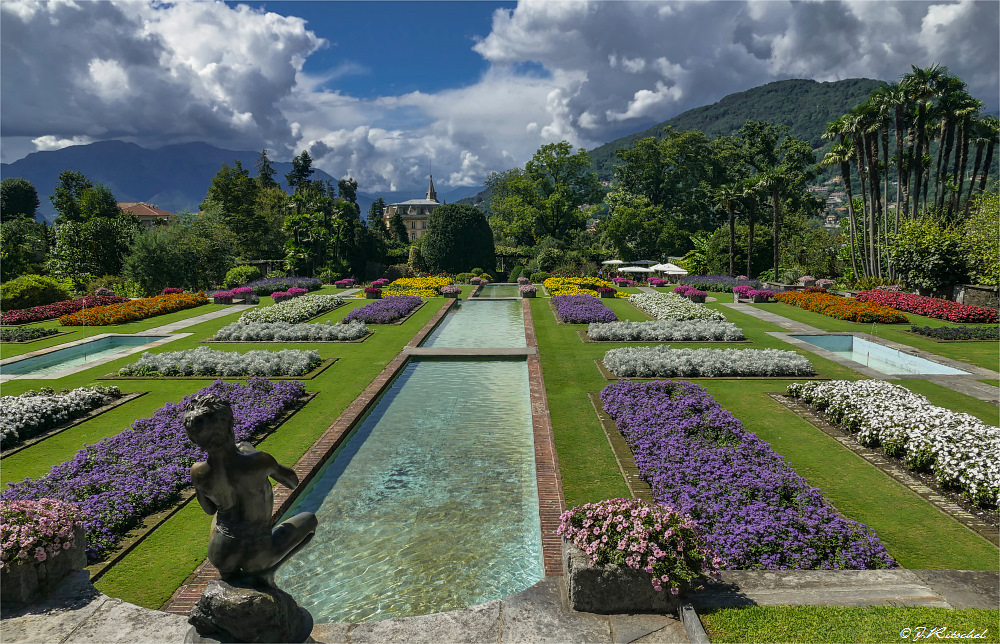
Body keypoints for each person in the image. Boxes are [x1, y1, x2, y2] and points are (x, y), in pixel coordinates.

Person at [183, 394, 318, 588]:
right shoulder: (260, 460)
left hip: (221, 554)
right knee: (309, 519)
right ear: (230, 427)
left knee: (222, 515)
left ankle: (231, 577)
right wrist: (252, 453)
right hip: (258, 553)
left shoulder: (197, 471)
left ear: (195, 438)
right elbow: (292, 481)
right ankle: (267, 571)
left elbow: (209, 509)